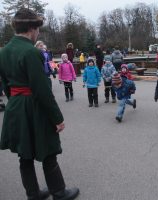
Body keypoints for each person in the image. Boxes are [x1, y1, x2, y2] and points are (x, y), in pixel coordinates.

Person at [0, 8, 79, 200]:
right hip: (34, 106)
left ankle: (33, 194)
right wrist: (57, 118)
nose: (38, 33)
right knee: (49, 150)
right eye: (38, 29)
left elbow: (5, 85)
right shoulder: (31, 51)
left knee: (24, 154)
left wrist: (15, 103)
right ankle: (59, 192)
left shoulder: (3, 52)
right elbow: (42, 91)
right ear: (32, 28)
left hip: (16, 107)